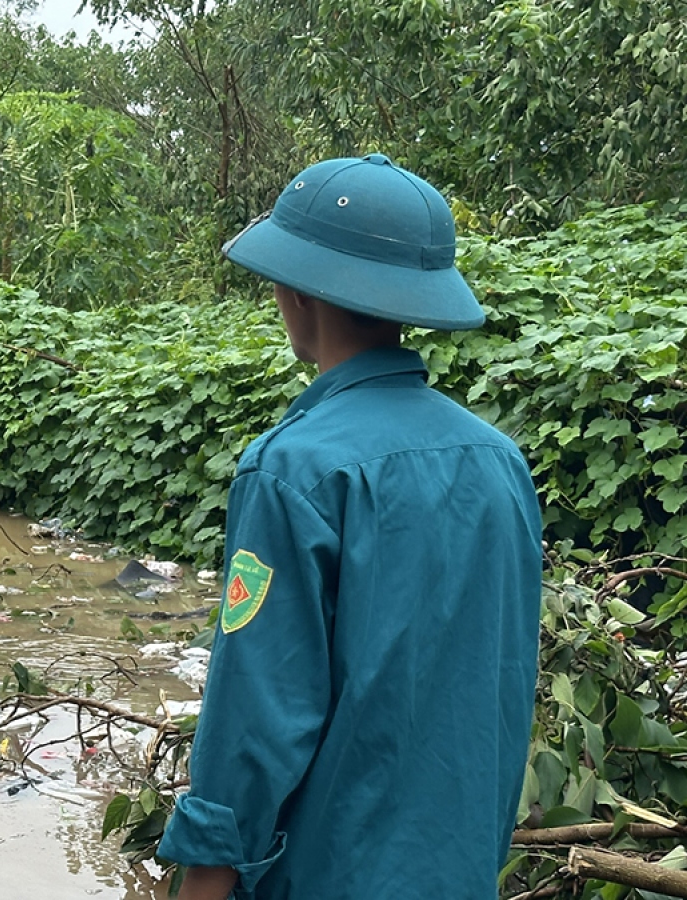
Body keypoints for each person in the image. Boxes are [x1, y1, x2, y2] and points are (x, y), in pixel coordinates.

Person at [156, 154, 544, 899]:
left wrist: (203, 881)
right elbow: (497, 685)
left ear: (297, 291)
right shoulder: (500, 464)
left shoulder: (292, 470)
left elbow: (256, 720)